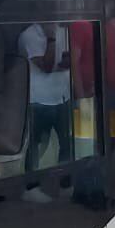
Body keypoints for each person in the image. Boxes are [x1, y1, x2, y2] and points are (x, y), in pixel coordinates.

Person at [18, 23, 73, 203]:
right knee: (35, 144)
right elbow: (47, 66)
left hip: (62, 96)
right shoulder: (29, 35)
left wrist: (68, 61)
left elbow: (68, 58)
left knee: (67, 143)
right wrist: (51, 38)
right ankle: (30, 188)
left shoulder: (63, 30)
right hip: (39, 100)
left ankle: (66, 184)